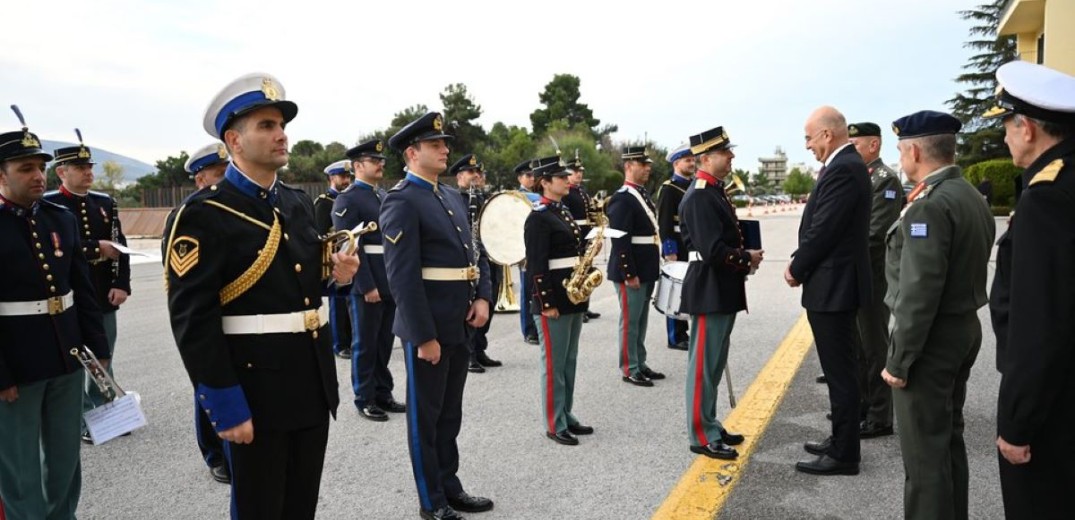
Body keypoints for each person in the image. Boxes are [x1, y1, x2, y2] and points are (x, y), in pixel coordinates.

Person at [164, 72, 357, 519]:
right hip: (255, 388)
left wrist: (338, 278)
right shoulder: (204, 213)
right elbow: (193, 321)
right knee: (260, 509)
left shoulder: (294, 202)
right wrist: (225, 406)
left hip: (309, 382)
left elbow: (297, 282)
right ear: (233, 140)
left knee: (299, 506)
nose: (280, 135)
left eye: (281, 125)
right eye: (266, 126)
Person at [881, 110, 994, 519]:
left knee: (924, 459)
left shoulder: (930, 205)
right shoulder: (967, 195)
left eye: (899, 150)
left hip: (930, 341)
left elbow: (919, 292)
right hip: (961, 329)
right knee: (947, 442)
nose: (899, 158)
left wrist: (899, 358)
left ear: (914, 150)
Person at [381, 112, 494, 520]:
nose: (445, 149)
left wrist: (483, 296)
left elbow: (474, 255)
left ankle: (451, 486)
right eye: (435, 145)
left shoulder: (449, 196)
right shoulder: (401, 200)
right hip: (429, 327)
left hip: (459, 321)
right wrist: (422, 335)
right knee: (424, 419)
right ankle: (432, 501)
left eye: (444, 143)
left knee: (449, 414)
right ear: (412, 153)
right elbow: (403, 277)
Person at [0, 108, 110, 520]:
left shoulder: (59, 218)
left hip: (66, 356)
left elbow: (82, 291)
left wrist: (98, 349)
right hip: (17, 365)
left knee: (65, 460)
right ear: (1, 175)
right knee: (19, 466)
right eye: (25, 168)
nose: (37, 175)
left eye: (40, 167)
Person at [984, 60, 1075, 519]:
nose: (1003, 137)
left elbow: (1041, 326)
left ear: (1028, 128)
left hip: (1055, 412)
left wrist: (1018, 424)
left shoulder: (1047, 198)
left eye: (1006, 125)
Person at [786, 106, 871, 476]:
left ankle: (844, 453)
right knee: (841, 370)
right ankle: (840, 439)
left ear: (827, 135)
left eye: (809, 137)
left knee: (841, 373)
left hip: (834, 286)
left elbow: (824, 230)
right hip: (834, 284)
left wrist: (796, 266)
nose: (807, 145)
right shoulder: (845, 166)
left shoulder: (844, 169)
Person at [44, 130, 131, 445]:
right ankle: (81, 416)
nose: (89, 173)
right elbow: (54, 249)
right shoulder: (47, 206)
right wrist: (95, 249)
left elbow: (120, 247)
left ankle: (107, 411)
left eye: (90, 167)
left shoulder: (105, 202)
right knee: (74, 358)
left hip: (103, 293)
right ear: (62, 172)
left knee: (104, 354)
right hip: (69, 296)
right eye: (81, 169)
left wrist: (122, 284)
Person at [679, 126, 761, 460]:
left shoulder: (713, 189)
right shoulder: (699, 194)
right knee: (703, 365)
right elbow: (713, 249)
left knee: (713, 364)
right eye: (725, 153)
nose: (731, 157)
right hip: (709, 286)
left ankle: (710, 422)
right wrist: (746, 258)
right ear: (706, 158)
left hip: (721, 286)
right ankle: (700, 433)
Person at [333, 139, 407, 422]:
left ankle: (383, 392)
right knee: (364, 342)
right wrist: (367, 285)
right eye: (374, 160)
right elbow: (349, 246)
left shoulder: (381, 196)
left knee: (384, 342)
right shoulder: (348, 199)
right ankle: (364, 396)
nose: (380, 164)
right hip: (368, 281)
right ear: (357, 166)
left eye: (381, 161)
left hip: (388, 278)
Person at [524, 156, 596, 446]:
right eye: (560, 177)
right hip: (554, 297)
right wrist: (546, 303)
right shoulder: (538, 216)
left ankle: (566, 413)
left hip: (572, 294)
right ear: (545, 182)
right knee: (554, 364)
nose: (568, 180)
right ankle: (555, 423)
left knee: (569, 360)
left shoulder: (561, 210)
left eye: (567, 176)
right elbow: (536, 266)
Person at [170, 142, 231, 484]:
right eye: (219, 175)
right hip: (208, 316)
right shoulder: (190, 215)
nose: (225, 180)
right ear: (199, 179)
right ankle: (214, 453)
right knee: (208, 384)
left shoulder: (238, 207)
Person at [847, 122, 903, 439]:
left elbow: (873, 235)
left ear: (874, 145)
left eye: (856, 144)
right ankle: (863, 406)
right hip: (856, 273)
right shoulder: (860, 178)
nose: (851, 150)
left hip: (873, 274)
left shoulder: (886, 181)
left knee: (874, 347)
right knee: (857, 346)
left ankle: (881, 417)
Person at [606, 146, 664, 387]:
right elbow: (620, 240)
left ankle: (640, 361)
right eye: (642, 163)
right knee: (630, 321)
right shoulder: (622, 198)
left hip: (645, 266)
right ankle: (630, 367)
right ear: (629, 166)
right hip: (632, 270)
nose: (648, 167)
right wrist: (629, 273)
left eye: (647, 163)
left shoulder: (641, 194)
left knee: (641, 320)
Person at [450, 154, 502, 373]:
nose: (476, 176)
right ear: (460, 176)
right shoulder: (455, 199)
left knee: (489, 301)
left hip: (490, 257)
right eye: (471, 172)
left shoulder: (484, 198)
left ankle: (480, 348)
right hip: (472, 259)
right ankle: (469, 353)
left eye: (478, 172)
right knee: (473, 305)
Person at [657, 142, 695, 351]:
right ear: (676, 163)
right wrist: (669, 251)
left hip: (692, 246)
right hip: (678, 247)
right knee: (676, 293)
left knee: (689, 290)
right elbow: (664, 224)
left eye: (692, 159)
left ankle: (686, 331)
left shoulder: (693, 185)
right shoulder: (669, 188)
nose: (692, 163)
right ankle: (675, 336)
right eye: (687, 160)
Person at [317, 160, 354, 359]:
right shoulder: (324, 202)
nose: (346, 181)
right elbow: (320, 233)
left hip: (351, 255)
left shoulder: (351, 199)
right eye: (342, 177)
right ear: (332, 178)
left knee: (351, 301)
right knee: (338, 304)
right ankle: (340, 343)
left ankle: (351, 339)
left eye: (348, 177)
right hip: (335, 257)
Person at [560, 154, 601, 323]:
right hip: (576, 234)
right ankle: (578, 304)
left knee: (587, 270)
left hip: (587, 234)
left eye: (580, 171)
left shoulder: (582, 191)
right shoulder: (566, 193)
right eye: (575, 172)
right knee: (578, 272)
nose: (578, 175)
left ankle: (585, 304)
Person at [514, 160, 540, 345]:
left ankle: (537, 327)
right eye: (527, 175)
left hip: (536, 246)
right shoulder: (516, 197)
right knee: (526, 292)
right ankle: (528, 330)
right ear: (520, 178)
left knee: (537, 288)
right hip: (523, 248)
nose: (531, 178)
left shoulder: (537, 195)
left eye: (533, 175)